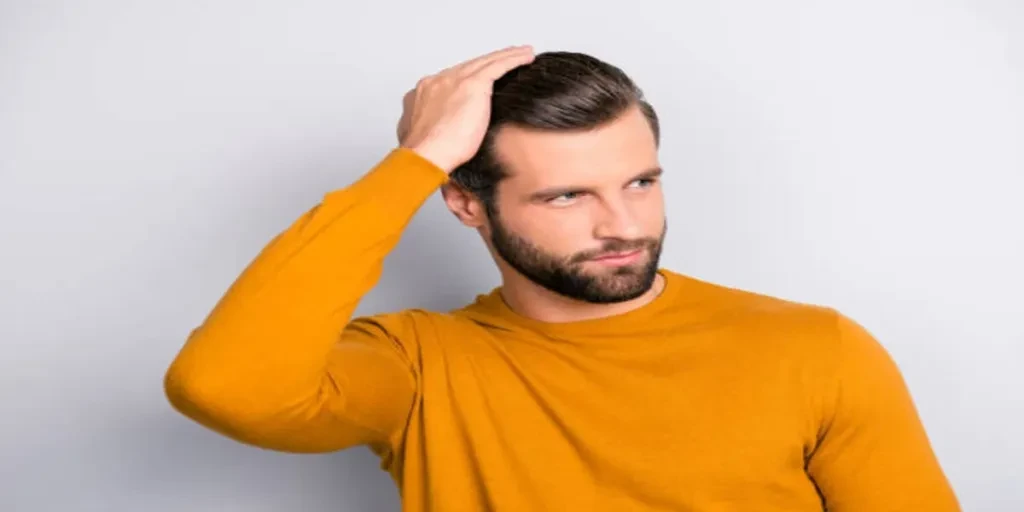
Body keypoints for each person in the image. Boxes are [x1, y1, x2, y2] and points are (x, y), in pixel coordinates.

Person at [163, 46, 961, 511]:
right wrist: (413, 163)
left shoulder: (818, 348)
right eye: (567, 194)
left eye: (640, 182)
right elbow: (224, 387)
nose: (623, 225)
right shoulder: (415, 368)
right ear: (466, 205)